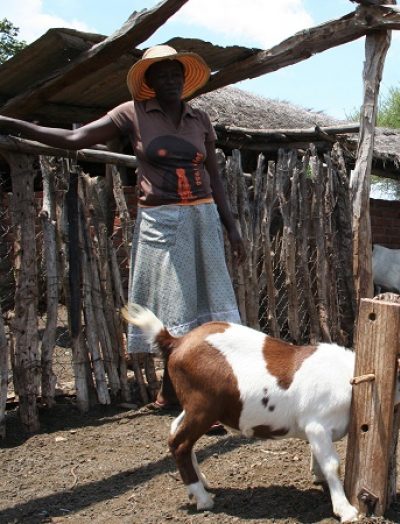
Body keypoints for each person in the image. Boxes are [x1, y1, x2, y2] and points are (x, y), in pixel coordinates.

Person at [0, 45, 245, 411]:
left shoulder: (200, 119)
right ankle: (182, 394)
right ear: (148, 82)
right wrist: (9, 122)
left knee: (201, 306)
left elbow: (215, 176)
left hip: (202, 218)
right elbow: (74, 139)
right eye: (161, 75)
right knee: (173, 310)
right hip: (161, 221)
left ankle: (174, 393)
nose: (170, 80)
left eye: (175, 74)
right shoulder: (132, 113)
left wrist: (232, 226)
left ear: (184, 78)